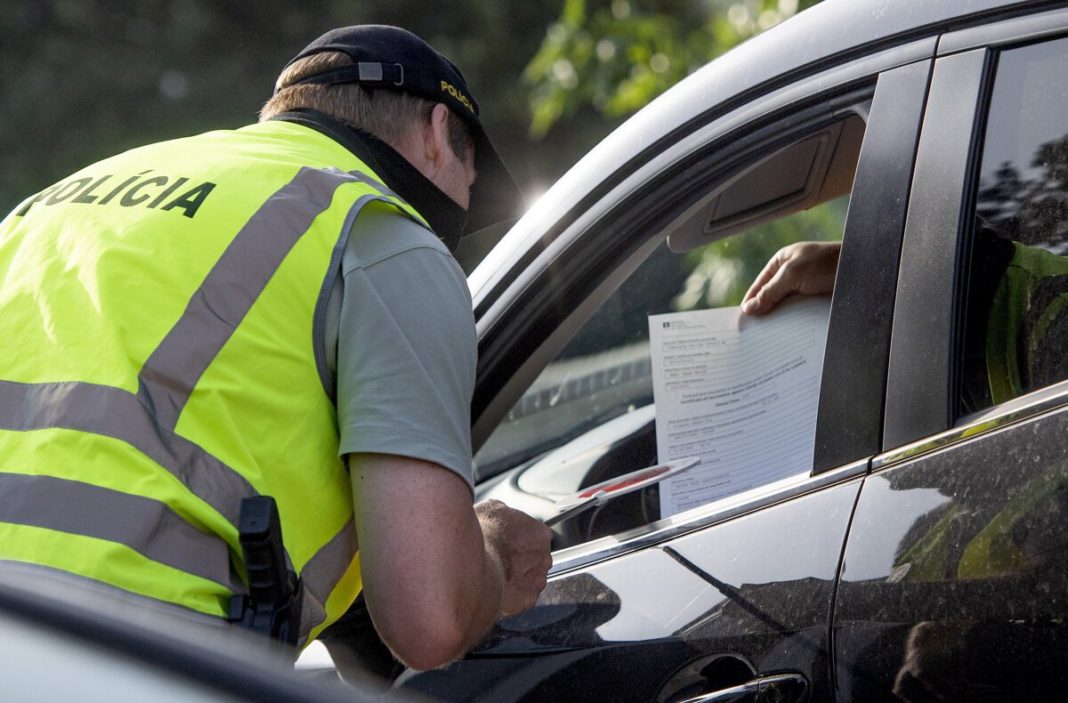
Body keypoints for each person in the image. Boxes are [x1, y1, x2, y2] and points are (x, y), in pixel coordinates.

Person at [0, 24, 552, 672]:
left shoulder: (56, 202)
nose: (456, 214)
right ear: (436, 134)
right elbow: (429, 616)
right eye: (470, 182)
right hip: (118, 655)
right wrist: (493, 553)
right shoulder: (376, 228)